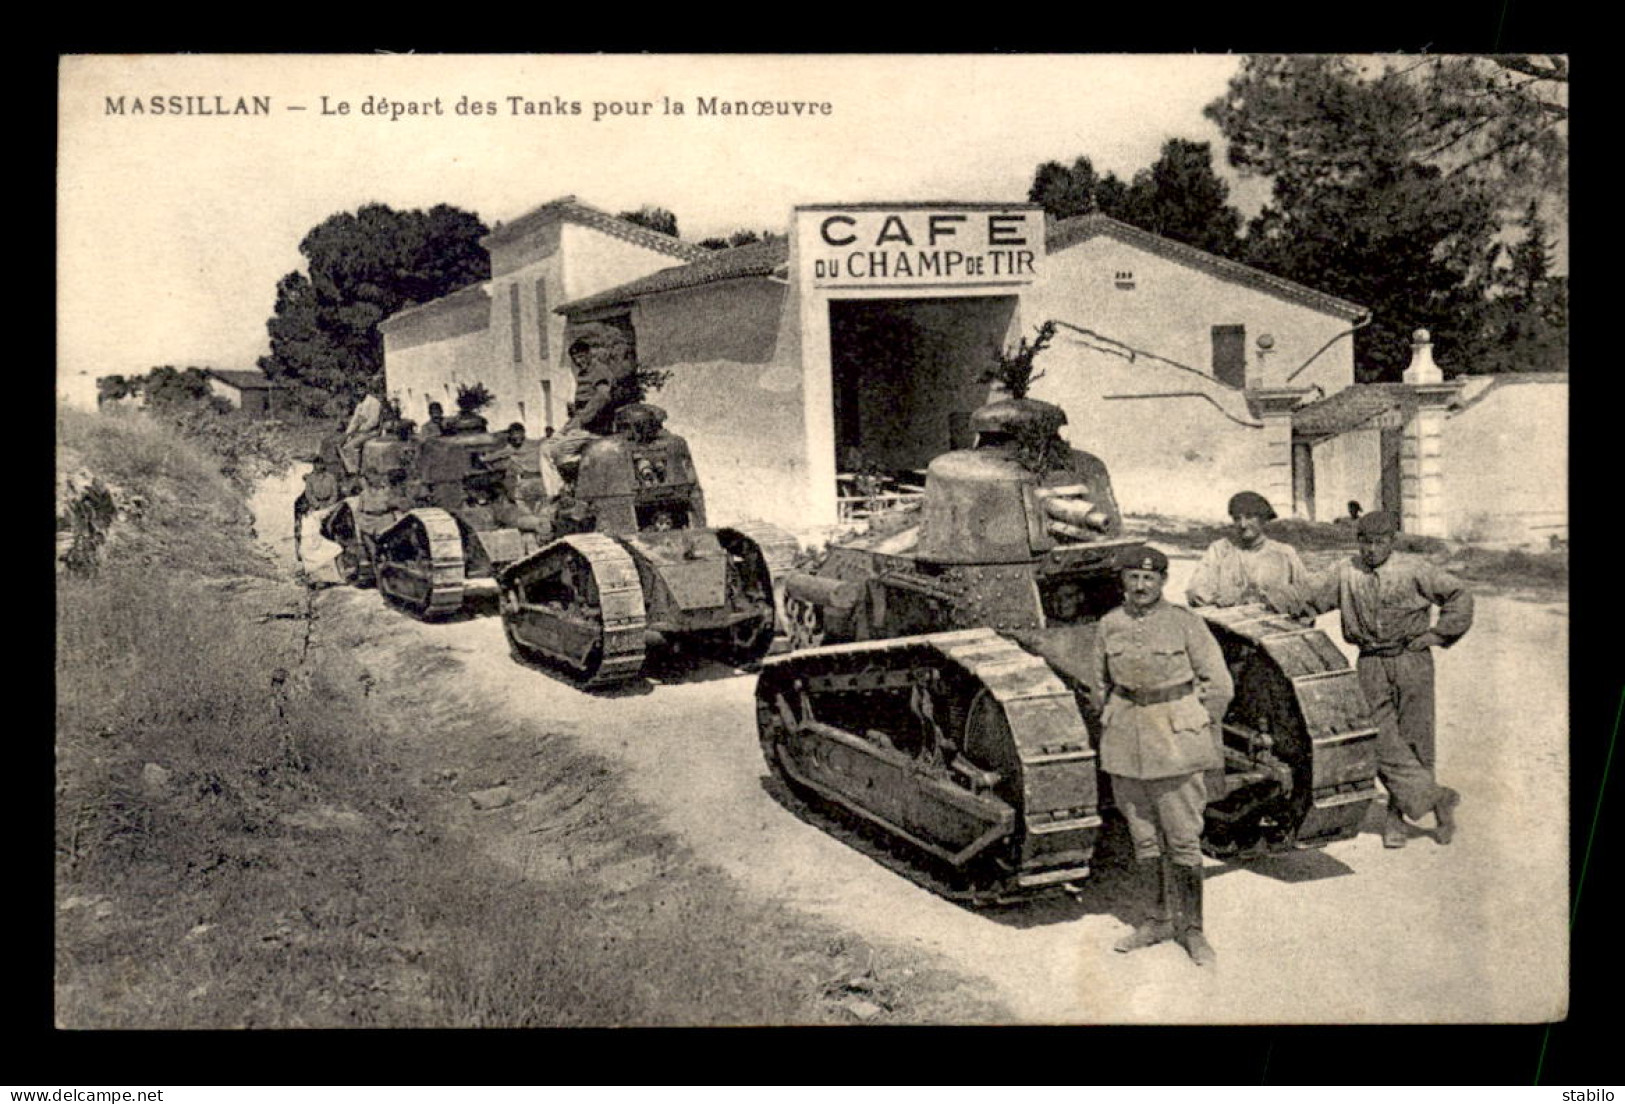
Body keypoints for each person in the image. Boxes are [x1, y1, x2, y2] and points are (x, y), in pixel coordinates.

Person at [1089, 544, 1234, 966]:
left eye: (1149, 578)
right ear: (1123, 582)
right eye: (1133, 578)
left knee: (1185, 842)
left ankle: (1192, 930)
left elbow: (1218, 684)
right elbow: (1099, 684)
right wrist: (1115, 715)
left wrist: (1192, 722)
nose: (1140, 585)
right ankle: (1154, 921)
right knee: (1144, 840)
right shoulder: (1109, 625)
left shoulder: (1185, 624)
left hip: (1176, 745)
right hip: (1126, 744)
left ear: (1163, 581)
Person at [1301, 510, 1473, 849]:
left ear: (1391, 543)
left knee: (1415, 737)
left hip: (1412, 660)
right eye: (1365, 542)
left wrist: (1438, 635)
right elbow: (1310, 597)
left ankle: (1399, 816)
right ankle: (1438, 798)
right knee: (1373, 738)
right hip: (1370, 661)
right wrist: (1280, 605)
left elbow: (1458, 595)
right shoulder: (1345, 571)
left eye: (1379, 543)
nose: (1371, 550)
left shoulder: (1414, 569)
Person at [537, 324, 638, 496]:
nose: (579, 361)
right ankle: (575, 481)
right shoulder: (584, 374)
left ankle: (558, 493)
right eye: (575, 358)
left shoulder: (598, 370)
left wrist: (580, 419)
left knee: (547, 450)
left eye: (581, 356)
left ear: (589, 353)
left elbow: (602, 397)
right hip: (583, 428)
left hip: (592, 431)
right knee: (552, 446)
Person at [1186, 490, 1310, 614]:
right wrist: (1229, 600)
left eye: (1249, 517)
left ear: (1263, 519)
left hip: (1274, 625)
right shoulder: (1219, 550)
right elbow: (1195, 591)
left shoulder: (1284, 554)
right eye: (1237, 518)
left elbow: (1305, 594)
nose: (1243, 524)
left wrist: (1270, 601)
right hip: (1228, 625)